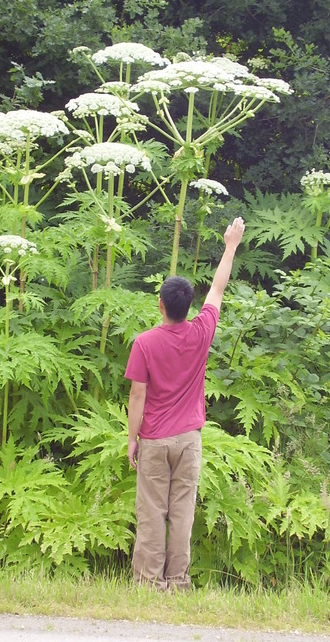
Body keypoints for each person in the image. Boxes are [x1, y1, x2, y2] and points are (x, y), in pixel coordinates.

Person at [124, 217, 245, 591]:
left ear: (159, 304)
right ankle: (177, 583)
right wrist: (230, 246)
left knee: (151, 513)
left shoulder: (144, 343)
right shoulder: (201, 331)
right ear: (188, 305)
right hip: (189, 440)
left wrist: (133, 439)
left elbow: (137, 395)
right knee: (182, 514)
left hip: (156, 441)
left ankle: (147, 585)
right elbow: (219, 289)